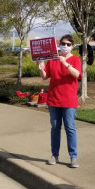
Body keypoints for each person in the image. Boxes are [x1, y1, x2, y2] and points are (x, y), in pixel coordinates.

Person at [37, 34, 81, 168]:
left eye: (68, 44)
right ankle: (54, 155)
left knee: (70, 128)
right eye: (63, 43)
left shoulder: (75, 60)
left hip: (69, 100)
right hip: (54, 99)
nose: (65, 46)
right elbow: (45, 77)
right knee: (55, 128)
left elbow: (77, 74)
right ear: (59, 44)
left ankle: (73, 157)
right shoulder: (52, 60)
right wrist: (40, 66)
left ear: (72, 46)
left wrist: (64, 63)